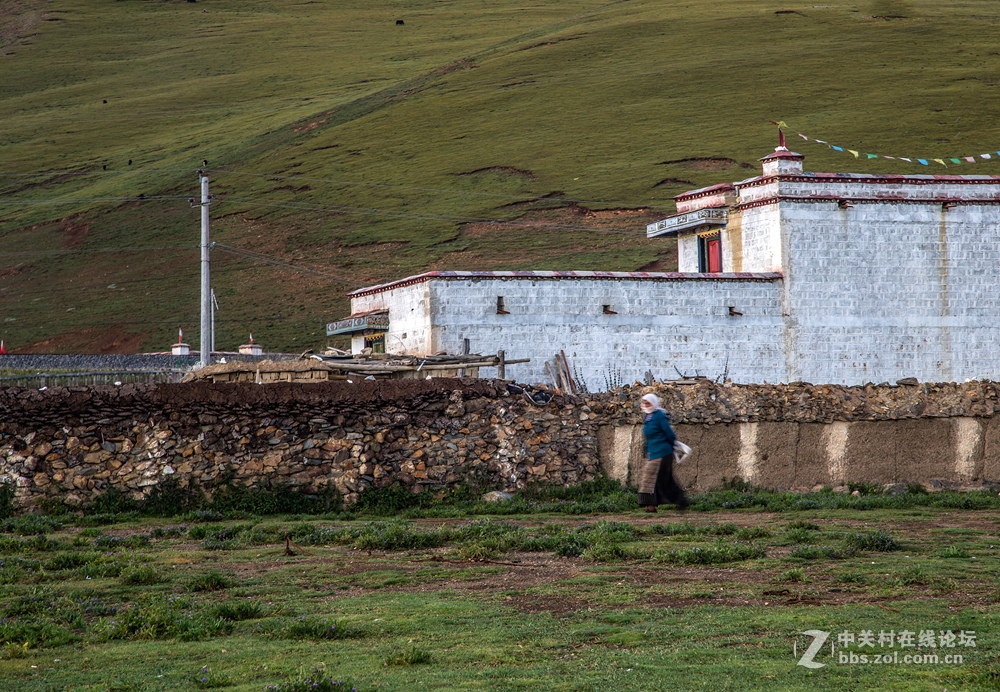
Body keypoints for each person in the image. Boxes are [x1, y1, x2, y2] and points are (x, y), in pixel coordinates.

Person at [639, 393, 689, 512]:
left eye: (648, 403)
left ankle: (679, 500)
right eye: (644, 403)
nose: (646, 405)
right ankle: (652, 506)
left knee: (659, 480)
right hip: (653, 452)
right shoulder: (648, 417)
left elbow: (670, 433)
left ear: (654, 403)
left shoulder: (660, 416)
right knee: (653, 480)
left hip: (662, 453)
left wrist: (672, 445)